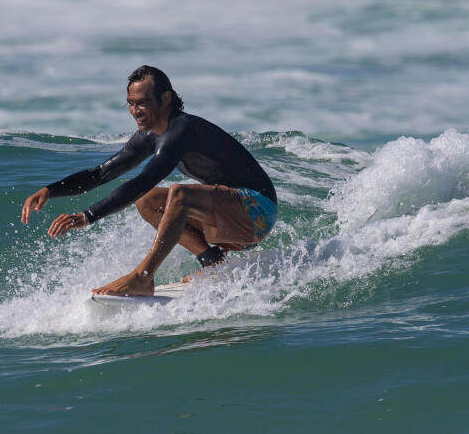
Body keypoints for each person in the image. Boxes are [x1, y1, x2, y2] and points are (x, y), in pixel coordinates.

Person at [20, 65, 278, 296]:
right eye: (130, 103)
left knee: (178, 194)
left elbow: (144, 179)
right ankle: (213, 262)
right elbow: (100, 174)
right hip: (227, 220)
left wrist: (88, 215)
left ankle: (143, 276)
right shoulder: (149, 136)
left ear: (165, 99)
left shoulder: (181, 131)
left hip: (257, 213)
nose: (134, 111)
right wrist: (50, 190)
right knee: (148, 201)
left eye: (142, 103)